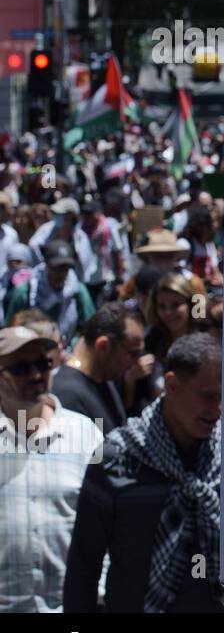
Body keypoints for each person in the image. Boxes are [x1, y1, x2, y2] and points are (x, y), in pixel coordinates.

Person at [64, 333, 224, 612]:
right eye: (209, 397)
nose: (219, 410)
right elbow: (84, 566)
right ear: (172, 385)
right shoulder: (115, 458)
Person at [0, 326, 103, 611]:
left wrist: (102, 589)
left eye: (43, 364)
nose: (35, 375)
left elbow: (108, 520)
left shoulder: (84, 433)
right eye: (20, 367)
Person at [51, 303, 149, 435]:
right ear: (103, 346)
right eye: (133, 354)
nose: (138, 362)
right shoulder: (68, 396)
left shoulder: (104, 376)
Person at [5, 241, 95, 344]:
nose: (60, 273)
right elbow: (11, 329)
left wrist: (72, 347)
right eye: (55, 267)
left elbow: (89, 328)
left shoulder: (78, 291)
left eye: (64, 268)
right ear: (46, 265)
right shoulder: (26, 292)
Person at [28, 197, 95, 284]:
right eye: (55, 213)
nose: (56, 215)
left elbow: (86, 266)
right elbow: (33, 245)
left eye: (61, 213)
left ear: (72, 216)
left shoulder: (80, 237)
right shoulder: (47, 229)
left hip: (72, 283)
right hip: (46, 281)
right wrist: (46, 263)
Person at [78, 197, 124, 307]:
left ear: (98, 213)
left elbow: (117, 253)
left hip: (105, 279)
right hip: (85, 280)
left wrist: (119, 280)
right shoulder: (79, 230)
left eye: (90, 213)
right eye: (84, 213)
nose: (87, 217)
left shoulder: (109, 228)